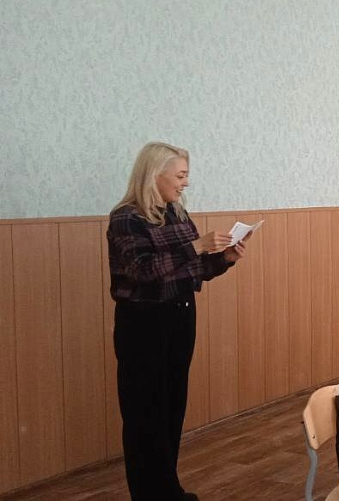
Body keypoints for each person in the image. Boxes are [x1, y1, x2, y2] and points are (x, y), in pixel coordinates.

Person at [108, 142, 248, 501]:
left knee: (172, 408)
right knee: (145, 414)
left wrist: (225, 259)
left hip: (180, 315)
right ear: (155, 174)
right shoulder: (127, 217)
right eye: (180, 175)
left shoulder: (177, 212)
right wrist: (197, 246)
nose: (185, 183)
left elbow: (193, 269)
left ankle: (168, 489)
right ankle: (149, 494)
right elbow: (143, 270)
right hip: (143, 324)